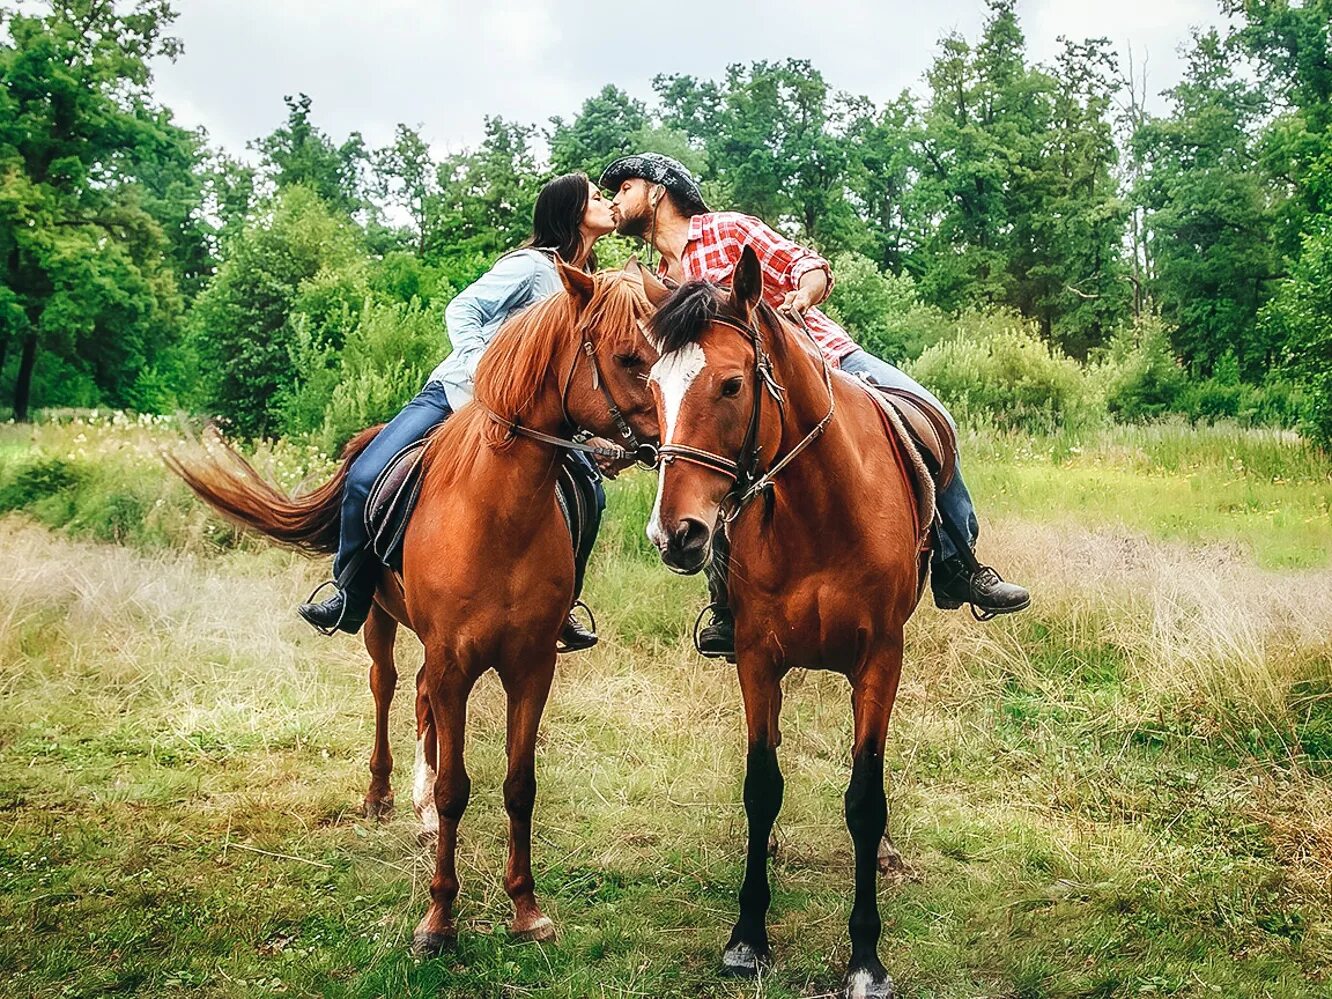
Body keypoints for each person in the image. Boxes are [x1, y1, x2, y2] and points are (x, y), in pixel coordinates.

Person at [600, 152, 1030, 656]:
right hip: (742, 400)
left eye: (624, 188)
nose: (615, 201)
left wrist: (803, 294)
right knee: (709, 463)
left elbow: (807, 266)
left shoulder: (727, 230)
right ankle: (725, 604)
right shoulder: (658, 280)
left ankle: (959, 565)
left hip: (826, 362)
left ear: (657, 190)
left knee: (933, 417)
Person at [299, 172, 620, 650]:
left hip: (529, 424)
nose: (609, 202)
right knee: (365, 476)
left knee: (591, 494)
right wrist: (479, 369)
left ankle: (562, 605)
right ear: (571, 211)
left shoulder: (589, 287)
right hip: (455, 397)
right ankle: (348, 594)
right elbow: (462, 309)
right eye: (597, 196)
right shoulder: (532, 267)